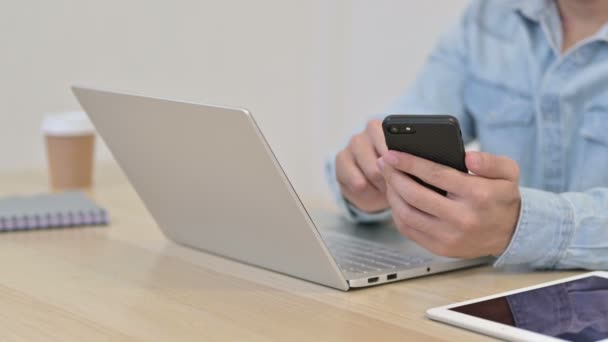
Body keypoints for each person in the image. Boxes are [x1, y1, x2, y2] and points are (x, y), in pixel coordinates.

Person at [328, 0, 608, 269]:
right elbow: (412, 116)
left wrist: (522, 225)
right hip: (494, 290)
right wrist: (366, 179)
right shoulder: (488, 18)